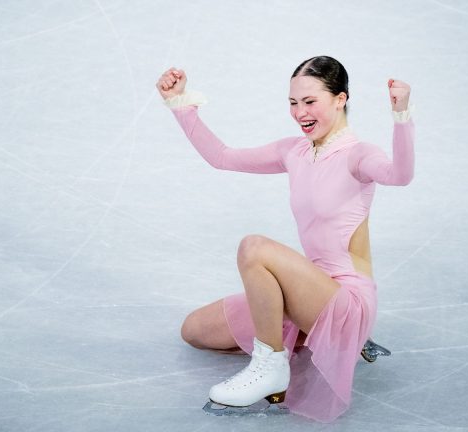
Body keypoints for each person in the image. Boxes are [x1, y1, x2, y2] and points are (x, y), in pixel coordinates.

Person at [155, 56, 413, 422]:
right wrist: (180, 104)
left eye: (310, 102)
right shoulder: (293, 151)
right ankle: (304, 342)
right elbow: (222, 157)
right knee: (194, 330)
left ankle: (271, 365)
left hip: (346, 302)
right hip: (307, 293)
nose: (300, 112)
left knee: (254, 248)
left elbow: (399, 175)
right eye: (293, 103)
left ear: (340, 99)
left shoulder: (358, 155)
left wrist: (402, 116)